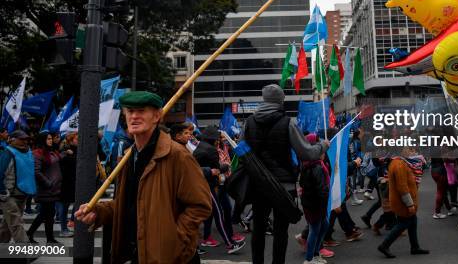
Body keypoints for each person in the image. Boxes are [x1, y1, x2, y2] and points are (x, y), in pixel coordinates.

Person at [75, 91, 212, 264]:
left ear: (157, 116)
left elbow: (200, 205)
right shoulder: (128, 156)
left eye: (141, 111)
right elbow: (130, 203)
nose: (134, 116)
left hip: (170, 257)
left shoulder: (178, 156)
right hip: (138, 254)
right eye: (130, 111)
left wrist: (175, 243)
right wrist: (99, 212)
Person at [244, 84, 329, 264]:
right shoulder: (288, 122)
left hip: (258, 185)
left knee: (258, 229)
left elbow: (243, 152)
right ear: (281, 100)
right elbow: (307, 153)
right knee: (280, 231)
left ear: (264, 98)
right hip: (283, 187)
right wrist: (323, 145)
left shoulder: (248, 122)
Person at [193, 126, 245, 254]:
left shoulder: (201, 147)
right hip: (208, 185)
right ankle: (229, 243)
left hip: (203, 184)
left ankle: (214, 240)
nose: (219, 140)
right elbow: (216, 169)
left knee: (216, 213)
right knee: (218, 214)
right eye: (218, 138)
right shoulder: (211, 150)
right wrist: (225, 166)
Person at [377, 150, 429, 258]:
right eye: (408, 149)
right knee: (403, 223)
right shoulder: (399, 164)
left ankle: (415, 247)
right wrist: (409, 204)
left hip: (402, 200)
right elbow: (402, 188)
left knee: (412, 221)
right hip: (403, 202)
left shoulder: (400, 162)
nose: (412, 151)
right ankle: (384, 245)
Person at [0, 130, 36, 242]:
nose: (25, 141)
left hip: (22, 193)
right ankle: (26, 252)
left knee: (7, 225)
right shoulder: (7, 153)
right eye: (22, 139)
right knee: (16, 223)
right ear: (12, 140)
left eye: (26, 139)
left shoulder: (28, 152)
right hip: (8, 195)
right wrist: (2, 191)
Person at [299, 134, 330, 264]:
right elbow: (321, 190)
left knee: (323, 226)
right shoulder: (315, 166)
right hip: (315, 205)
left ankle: (315, 254)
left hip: (312, 203)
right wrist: (322, 209)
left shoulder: (310, 163)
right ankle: (309, 259)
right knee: (315, 229)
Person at [27, 131, 62, 243]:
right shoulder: (37, 153)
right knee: (46, 214)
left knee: (47, 214)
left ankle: (48, 238)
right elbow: (36, 172)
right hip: (45, 190)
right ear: (42, 140)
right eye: (48, 139)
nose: (51, 140)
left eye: (51, 138)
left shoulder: (52, 152)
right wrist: (48, 183)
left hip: (53, 189)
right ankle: (45, 237)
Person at [58, 132, 78, 237]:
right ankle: (63, 229)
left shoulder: (75, 151)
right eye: (76, 139)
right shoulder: (65, 152)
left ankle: (71, 223)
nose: (78, 140)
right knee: (64, 206)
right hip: (65, 183)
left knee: (76, 202)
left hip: (73, 181)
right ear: (71, 140)